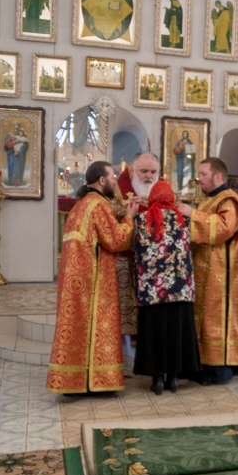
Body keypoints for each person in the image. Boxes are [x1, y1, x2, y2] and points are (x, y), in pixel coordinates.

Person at [47, 161, 138, 394]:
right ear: (101, 180)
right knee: (97, 328)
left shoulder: (79, 205)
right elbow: (116, 240)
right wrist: (129, 217)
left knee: (77, 329)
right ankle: (101, 383)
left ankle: (73, 383)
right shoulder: (99, 204)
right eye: (112, 177)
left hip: (75, 280)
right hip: (94, 281)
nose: (115, 182)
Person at [177, 158, 238, 384]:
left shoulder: (229, 200)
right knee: (203, 320)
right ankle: (202, 365)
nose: (199, 179)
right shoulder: (209, 199)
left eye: (204, 174)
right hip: (204, 272)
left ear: (218, 176)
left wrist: (192, 214)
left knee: (216, 321)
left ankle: (218, 370)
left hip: (223, 276)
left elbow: (223, 228)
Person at [132, 181, 200, 395]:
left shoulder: (141, 219)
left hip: (152, 290)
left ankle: (157, 380)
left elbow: (131, 245)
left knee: (155, 333)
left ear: (152, 197)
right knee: (176, 332)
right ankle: (173, 378)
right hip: (180, 289)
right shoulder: (184, 219)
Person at [117, 153, 159, 376]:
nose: (149, 176)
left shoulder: (163, 192)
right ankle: (124, 362)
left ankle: (149, 359)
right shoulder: (116, 191)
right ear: (133, 170)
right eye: (144, 171)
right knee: (124, 311)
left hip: (154, 267)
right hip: (125, 261)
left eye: (153, 171)